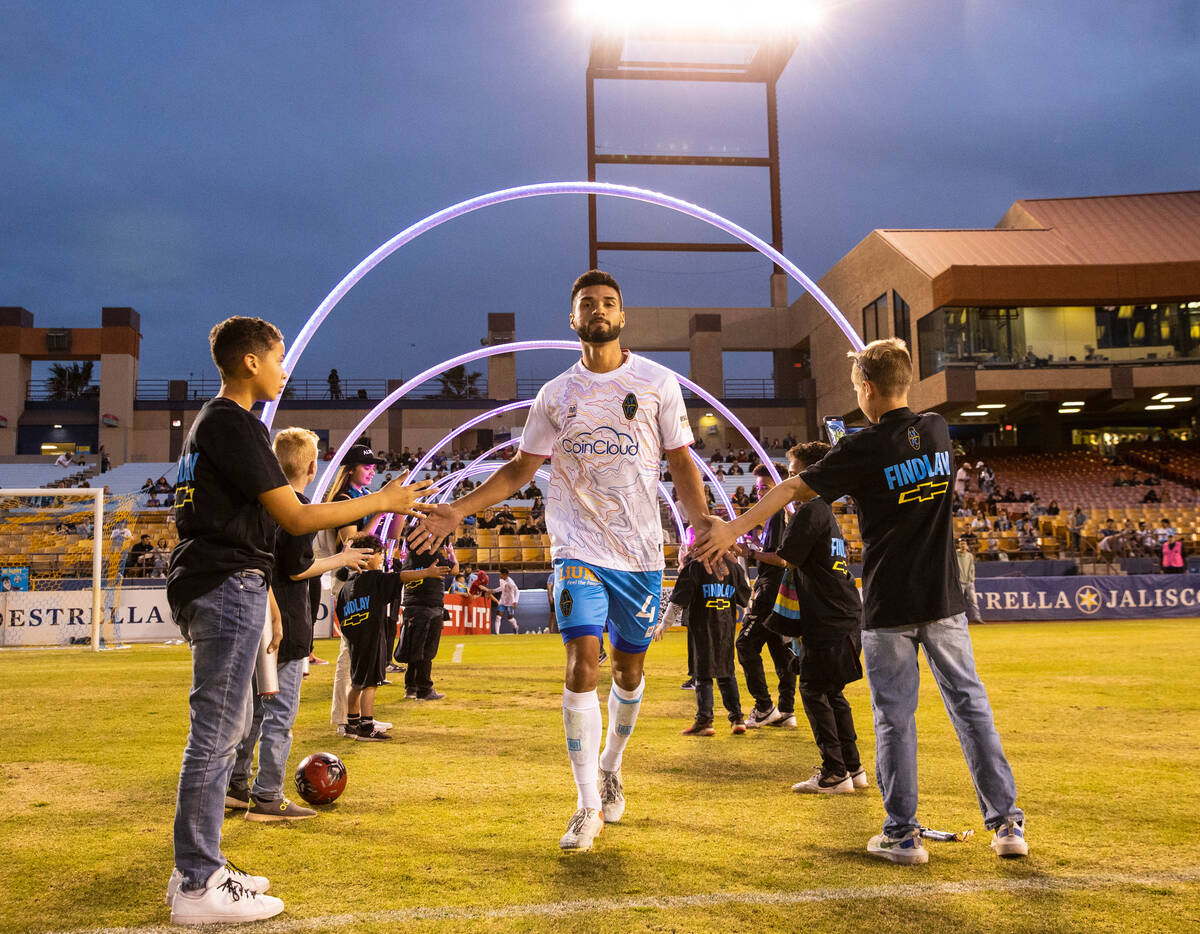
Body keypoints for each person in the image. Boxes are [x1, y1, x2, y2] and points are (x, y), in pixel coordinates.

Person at [409, 269, 715, 853]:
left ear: (623, 316)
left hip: (642, 555)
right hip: (577, 550)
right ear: (572, 319)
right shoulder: (556, 394)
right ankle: (585, 805)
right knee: (582, 664)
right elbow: (520, 470)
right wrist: (457, 511)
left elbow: (680, 462)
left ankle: (611, 765)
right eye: (587, 305)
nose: (598, 311)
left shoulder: (657, 383)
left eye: (608, 303)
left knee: (628, 671)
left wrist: (703, 525)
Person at [695, 338, 1027, 866]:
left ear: (867, 389)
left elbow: (788, 492)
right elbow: (902, 434)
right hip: (943, 600)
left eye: (857, 386)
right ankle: (1007, 825)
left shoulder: (861, 448)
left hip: (889, 607)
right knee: (972, 709)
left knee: (896, 718)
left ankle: (902, 835)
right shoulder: (938, 430)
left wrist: (733, 527)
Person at [164, 317, 430, 924]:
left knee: (225, 731)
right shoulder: (233, 423)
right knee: (216, 735)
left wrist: (268, 604)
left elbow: (258, 526)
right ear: (252, 362)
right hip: (224, 582)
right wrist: (384, 500)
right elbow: (294, 519)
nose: (286, 368)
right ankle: (196, 881)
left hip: (232, 584)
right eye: (279, 356)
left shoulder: (217, 423)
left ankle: (203, 867)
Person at [228, 428, 371, 820]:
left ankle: (238, 785)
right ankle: (268, 796)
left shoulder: (260, 504)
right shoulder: (298, 508)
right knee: (279, 716)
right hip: (285, 624)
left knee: (255, 711)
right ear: (312, 466)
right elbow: (297, 569)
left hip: (257, 618)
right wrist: (343, 559)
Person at [768, 441, 866, 794]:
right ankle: (852, 767)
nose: (789, 482)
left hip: (825, 617)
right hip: (843, 613)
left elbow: (787, 558)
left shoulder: (810, 511)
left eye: (794, 474)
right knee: (832, 691)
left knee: (812, 689)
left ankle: (834, 771)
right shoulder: (827, 512)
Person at [317, 444, 390, 736]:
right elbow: (352, 543)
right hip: (347, 578)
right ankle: (345, 719)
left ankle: (354, 716)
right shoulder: (345, 499)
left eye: (373, 466)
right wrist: (379, 511)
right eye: (367, 466)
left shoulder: (355, 497)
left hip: (352, 577)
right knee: (351, 651)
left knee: (355, 651)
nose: (372, 470)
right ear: (351, 470)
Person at [336, 535, 435, 740]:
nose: (382, 557)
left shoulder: (347, 584)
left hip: (355, 640)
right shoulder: (374, 579)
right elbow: (401, 577)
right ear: (368, 556)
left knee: (356, 681)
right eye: (379, 553)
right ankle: (366, 726)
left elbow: (341, 614)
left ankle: (351, 723)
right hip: (371, 638)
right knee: (370, 683)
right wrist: (427, 572)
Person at [658, 549, 748, 736]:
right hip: (726, 627)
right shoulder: (734, 567)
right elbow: (746, 598)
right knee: (726, 672)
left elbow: (677, 601)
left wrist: (664, 625)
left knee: (703, 674)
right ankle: (737, 718)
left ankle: (704, 720)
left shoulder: (695, 567)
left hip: (702, 627)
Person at [736, 464, 797, 729]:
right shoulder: (781, 515)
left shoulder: (778, 515)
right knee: (780, 650)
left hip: (771, 590)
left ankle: (764, 706)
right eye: (758, 488)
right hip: (779, 591)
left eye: (765, 488)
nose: (759, 494)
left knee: (745, 644)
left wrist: (750, 553)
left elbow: (781, 559)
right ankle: (786, 710)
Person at [399, 540, 458, 701]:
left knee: (414, 649)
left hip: (411, 608)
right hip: (430, 608)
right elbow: (455, 570)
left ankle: (410, 687)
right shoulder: (434, 556)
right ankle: (424, 689)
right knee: (426, 651)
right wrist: (452, 554)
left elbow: (402, 577)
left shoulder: (409, 558)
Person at [956, 537, 982, 623]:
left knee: (974, 601)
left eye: (964, 544)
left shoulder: (970, 555)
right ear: (958, 545)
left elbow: (972, 567)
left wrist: (972, 578)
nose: (963, 545)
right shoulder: (955, 555)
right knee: (958, 602)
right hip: (960, 582)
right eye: (961, 544)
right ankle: (958, 620)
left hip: (969, 582)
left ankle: (977, 618)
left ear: (967, 545)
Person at [490, 566, 520, 634]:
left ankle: (516, 627)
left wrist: (515, 601)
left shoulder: (511, 582)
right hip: (503, 601)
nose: (499, 575)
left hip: (510, 602)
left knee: (510, 618)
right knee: (498, 616)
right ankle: (497, 634)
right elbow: (502, 588)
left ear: (505, 575)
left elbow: (517, 591)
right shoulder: (501, 580)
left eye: (500, 574)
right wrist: (493, 590)